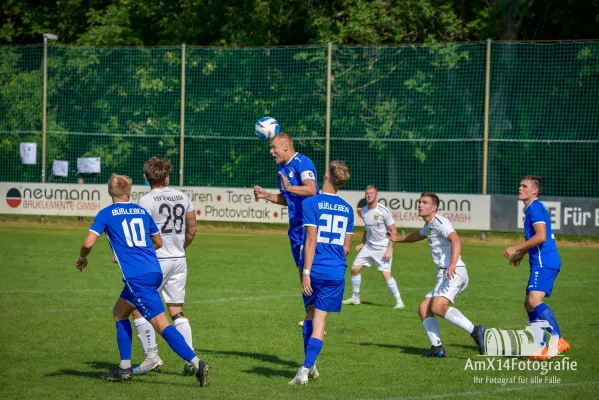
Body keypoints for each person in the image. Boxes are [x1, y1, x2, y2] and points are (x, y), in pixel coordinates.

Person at [74, 174, 210, 387]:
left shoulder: (106, 214)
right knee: (119, 313)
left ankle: (197, 362)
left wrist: (82, 258)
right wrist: (139, 251)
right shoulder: (141, 211)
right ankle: (125, 367)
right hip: (153, 271)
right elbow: (156, 241)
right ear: (129, 192)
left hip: (137, 278)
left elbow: (88, 243)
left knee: (161, 324)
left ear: (110, 193)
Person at [387, 192, 485, 357]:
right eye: (419, 202)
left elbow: (456, 240)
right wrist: (397, 238)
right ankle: (437, 347)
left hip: (454, 271)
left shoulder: (440, 222)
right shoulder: (430, 225)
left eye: (424, 202)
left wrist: (452, 264)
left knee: (437, 307)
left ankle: (476, 330)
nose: (420, 205)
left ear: (434, 207)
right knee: (424, 308)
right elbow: (418, 235)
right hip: (444, 273)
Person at [131, 157, 199, 376]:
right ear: (167, 177)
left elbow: (142, 235)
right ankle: (191, 361)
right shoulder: (183, 196)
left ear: (146, 178)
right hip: (179, 259)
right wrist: (182, 246)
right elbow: (192, 229)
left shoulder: (146, 201)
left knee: (137, 308)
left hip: (156, 261)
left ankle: (151, 357)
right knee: (176, 310)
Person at [288, 160, 354, 385]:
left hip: (315, 269)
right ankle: (310, 365)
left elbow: (311, 241)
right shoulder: (348, 209)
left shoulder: (311, 203)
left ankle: (305, 369)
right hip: (336, 272)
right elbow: (346, 248)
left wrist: (306, 272)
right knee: (321, 321)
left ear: (326, 175)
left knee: (309, 314)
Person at [253, 132, 318, 327]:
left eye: (274, 148)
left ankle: (314, 318)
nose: (272, 152)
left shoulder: (302, 163)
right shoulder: (282, 168)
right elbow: (287, 199)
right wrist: (267, 195)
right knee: (302, 271)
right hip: (295, 228)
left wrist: (289, 188)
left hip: (308, 225)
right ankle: (312, 314)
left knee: (307, 270)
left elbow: (311, 189)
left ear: (286, 147)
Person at [503, 176, 570, 359]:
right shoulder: (532, 208)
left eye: (524, 186)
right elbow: (536, 237)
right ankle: (540, 348)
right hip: (541, 262)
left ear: (535, 191)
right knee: (529, 303)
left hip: (545, 262)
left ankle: (559, 339)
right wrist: (522, 254)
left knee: (534, 300)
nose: (520, 187)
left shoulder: (535, 208)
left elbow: (541, 236)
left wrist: (515, 247)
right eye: (520, 184)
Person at [342, 185, 405, 309]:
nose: (369, 195)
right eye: (367, 193)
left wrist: (389, 249)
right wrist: (362, 242)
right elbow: (367, 228)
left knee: (386, 274)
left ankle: (399, 302)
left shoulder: (383, 211)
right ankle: (355, 298)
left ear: (377, 196)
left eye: (371, 193)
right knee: (354, 269)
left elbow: (393, 231)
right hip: (369, 246)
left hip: (382, 248)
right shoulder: (364, 210)